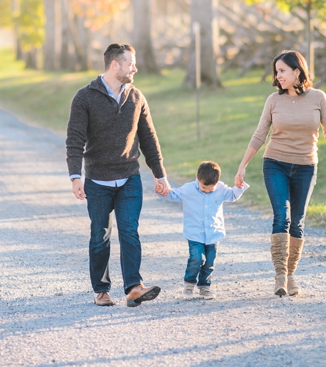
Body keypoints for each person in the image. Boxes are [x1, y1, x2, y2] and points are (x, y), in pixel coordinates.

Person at [66, 43, 171, 307]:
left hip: (129, 178)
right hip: (97, 180)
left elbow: (149, 139)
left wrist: (160, 175)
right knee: (99, 237)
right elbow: (74, 140)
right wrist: (75, 176)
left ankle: (134, 287)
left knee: (129, 232)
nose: (135, 68)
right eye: (130, 63)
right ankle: (101, 290)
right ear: (115, 65)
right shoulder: (84, 97)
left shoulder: (137, 97)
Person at [234, 50, 326, 297]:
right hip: (275, 163)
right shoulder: (273, 100)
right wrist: (242, 165)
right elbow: (260, 134)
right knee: (281, 216)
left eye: (282, 71)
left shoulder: (319, 97)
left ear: (297, 71)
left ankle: (291, 275)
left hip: (306, 166)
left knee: (298, 221)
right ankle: (280, 276)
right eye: (276, 71)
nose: (278, 76)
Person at [162, 161, 248, 300]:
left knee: (209, 262)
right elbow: (174, 195)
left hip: (213, 234)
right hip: (195, 234)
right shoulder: (188, 189)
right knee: (196, 258)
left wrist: (239, 186)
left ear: (217, 182)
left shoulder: (221, 189)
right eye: (203, 187)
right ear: (198, 178)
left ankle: (204, 287)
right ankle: (189, 286)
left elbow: (232, 195)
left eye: (211, 188)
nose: (207, 190)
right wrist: (163, 191)